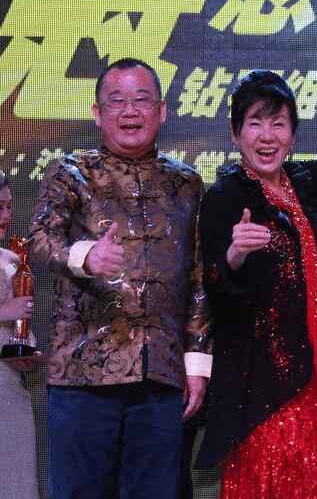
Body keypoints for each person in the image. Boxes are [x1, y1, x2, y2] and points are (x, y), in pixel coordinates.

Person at [194, 69, 317, 498]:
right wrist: (234, 254)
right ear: (235, 135)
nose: (267, 136)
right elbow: (215, 290)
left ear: (293, 135)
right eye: (255, 123)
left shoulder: (311, 183)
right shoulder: (226, 197)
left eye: (278, 123)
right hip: (266, 387)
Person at [29, 58, 211, 499]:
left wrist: (196, 367)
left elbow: (198, 278)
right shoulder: (70, 172)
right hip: (82, 373)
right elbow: (39, 240)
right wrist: (86, 256)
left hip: (160, 374)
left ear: (162, 110)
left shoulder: (187, 183)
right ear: (97, 113)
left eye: (141, 100)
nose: (130, 111)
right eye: (117, 101)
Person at [0, 170, 38, 499]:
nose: (6, 215)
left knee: (15, 480)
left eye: (9, 206)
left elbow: (21, 326)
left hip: (10, 390)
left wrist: (27, 348)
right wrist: (4, 312)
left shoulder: (13, 261)